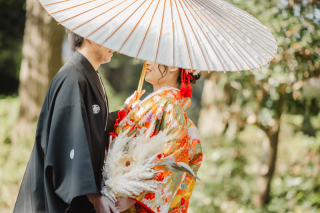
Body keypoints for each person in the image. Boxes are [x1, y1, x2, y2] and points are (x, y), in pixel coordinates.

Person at [13, 32, 138, 213]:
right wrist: (94, 196)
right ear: (90, 37)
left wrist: (123, 114)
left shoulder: (86, 74)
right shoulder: (72, 78)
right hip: (53, 202)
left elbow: (92, 126)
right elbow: (69, 143)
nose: (116, 46)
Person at [106, 61, 203, 213]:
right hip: (116, 194)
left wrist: (133, 195)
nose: (148, 62)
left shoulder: (169, 105)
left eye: (157, 58)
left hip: (130, 201)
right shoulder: (161, 103)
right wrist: (128, 111)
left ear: (173, 67)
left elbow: (172, 160)